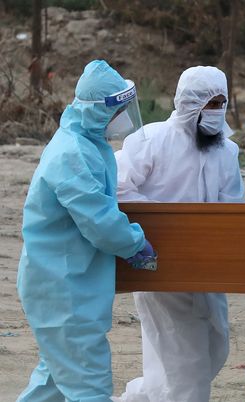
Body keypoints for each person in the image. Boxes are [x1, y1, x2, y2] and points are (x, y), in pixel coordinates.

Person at [17, 60, 155, 402]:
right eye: (117, 110)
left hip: (65, 285)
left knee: (51, 385)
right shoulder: (73, 153)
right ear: (97, 111)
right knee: (89, 387)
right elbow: (99, 220)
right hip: (64, 290)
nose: (122, 118)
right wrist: (135, 244)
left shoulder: (85, 142)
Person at [113, 66, 245, 402]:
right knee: (187, 362)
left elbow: (232, 207)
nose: (216, 112)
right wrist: (167, 220)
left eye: (221, 103)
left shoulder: (226, 152)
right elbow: (118, 187)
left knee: (214, 347)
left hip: (206, 268)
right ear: (189, 103)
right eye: (210, 104)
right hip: (160, 264)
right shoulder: (151, 140)